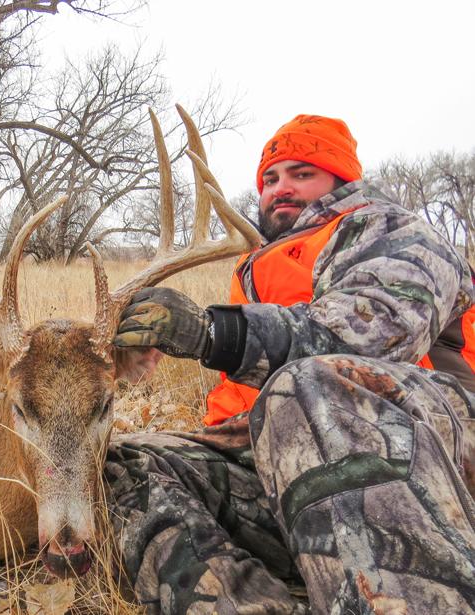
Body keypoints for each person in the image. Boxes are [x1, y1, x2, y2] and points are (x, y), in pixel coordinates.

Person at [108, 114, 475, 615]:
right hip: (296, 467)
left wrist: (213, 334)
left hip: (431, 452)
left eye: (303, 173)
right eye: (270, 178)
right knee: (122, 463)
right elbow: (243, 403)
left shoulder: (392, 230)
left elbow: (372, 343)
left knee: (304, 386)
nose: (281, 188)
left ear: (342, 180)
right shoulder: (255, 268)